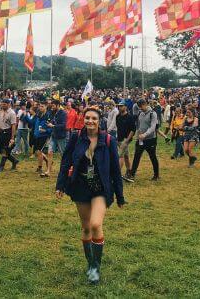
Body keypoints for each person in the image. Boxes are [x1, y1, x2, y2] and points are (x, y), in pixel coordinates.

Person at [55, 107, 126, 285]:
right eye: (87, 118)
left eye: (94, 118)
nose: (90, 121)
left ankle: (95, 268)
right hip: (80, 187)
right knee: (86, 228)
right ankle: (91, 263)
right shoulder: (76, 138)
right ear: (83, 119)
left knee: (95, 224)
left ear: (99, 121)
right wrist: (60, 185)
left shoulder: (108, 140)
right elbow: (66, 162)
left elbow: (116, 171)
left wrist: (120, 195)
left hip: (101, 189)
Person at [128, 99, 159, 182]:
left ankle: (156, 175)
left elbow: (153, 127)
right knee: (136, 156)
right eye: (139, 107)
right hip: (140, 139)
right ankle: (132, 175)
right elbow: (138, 125)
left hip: (151, 139)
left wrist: (145, 134)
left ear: (145, 104)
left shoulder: (153, 114)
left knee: (153, 157)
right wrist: (138, 134)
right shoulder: (140, 113)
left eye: (141, 107)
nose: (140, 108)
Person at [0, 99, 19, 173]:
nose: (3, 105)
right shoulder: (1, 112)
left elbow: (13, 126)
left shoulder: (12, 113)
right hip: (1, 133)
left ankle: (1, 167)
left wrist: (12, 138)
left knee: (5, 150)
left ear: (9, 104)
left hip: (8, 133)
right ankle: (14, 160)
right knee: (1, 150)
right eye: (2, 104)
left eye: (4, 104)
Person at [46, 99, 67, 177]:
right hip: (53, 135)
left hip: (61, 136)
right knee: (49, 152)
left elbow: (64, 125)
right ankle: (48, 170)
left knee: (63, 154)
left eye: (54, 106)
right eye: (52, 106)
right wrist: (49, 123)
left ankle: (64, 170)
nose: (52, 107)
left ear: (58, 105)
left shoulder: (63, 113)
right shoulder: (52, 112)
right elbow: (51, 121)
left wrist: (53, 126)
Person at [115, 103, 135, 182]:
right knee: (126, 156)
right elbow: (118, 128)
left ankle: (117, 174)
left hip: (126, 139)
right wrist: (117, 139)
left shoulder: (130, 117)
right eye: (119, 106)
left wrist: (127, 140)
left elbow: (133, 129)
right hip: (119, 139)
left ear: (126, 107)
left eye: (122, 106)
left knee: (120, 156)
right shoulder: (118, 117)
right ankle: (129, 171)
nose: (120, 107)